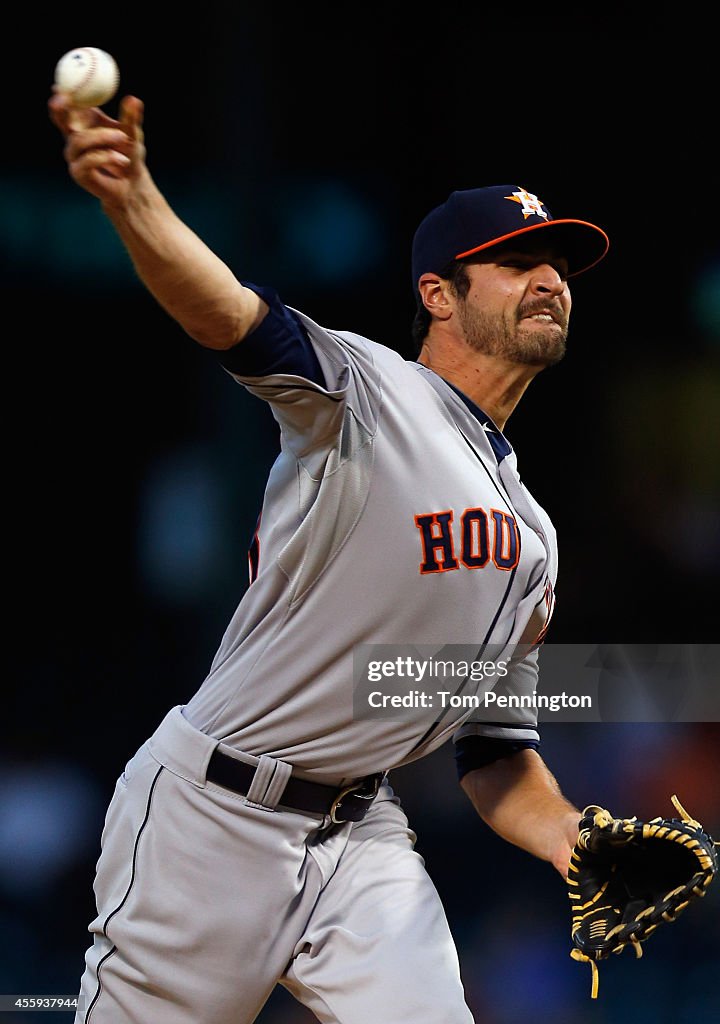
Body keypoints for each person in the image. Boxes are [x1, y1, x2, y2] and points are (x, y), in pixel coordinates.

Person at [49, 89, 610, 1024]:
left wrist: (567, 835)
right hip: (214, 813)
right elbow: (225, 314)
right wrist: (132, 198)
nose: (548, 278)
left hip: (363, 836)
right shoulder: (367, 390)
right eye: (514, 262)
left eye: (557, 263)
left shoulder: (536, 537)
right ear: (438, 293)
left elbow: (494, 748)